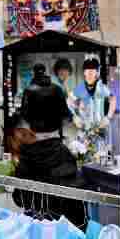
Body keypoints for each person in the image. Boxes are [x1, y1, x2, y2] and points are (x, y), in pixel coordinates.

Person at [13, 87, 87, 227]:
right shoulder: (63, 155)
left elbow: (18, 198)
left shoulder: (25, 155)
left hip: (33, 230)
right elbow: (75, 209)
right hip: (60, 233)